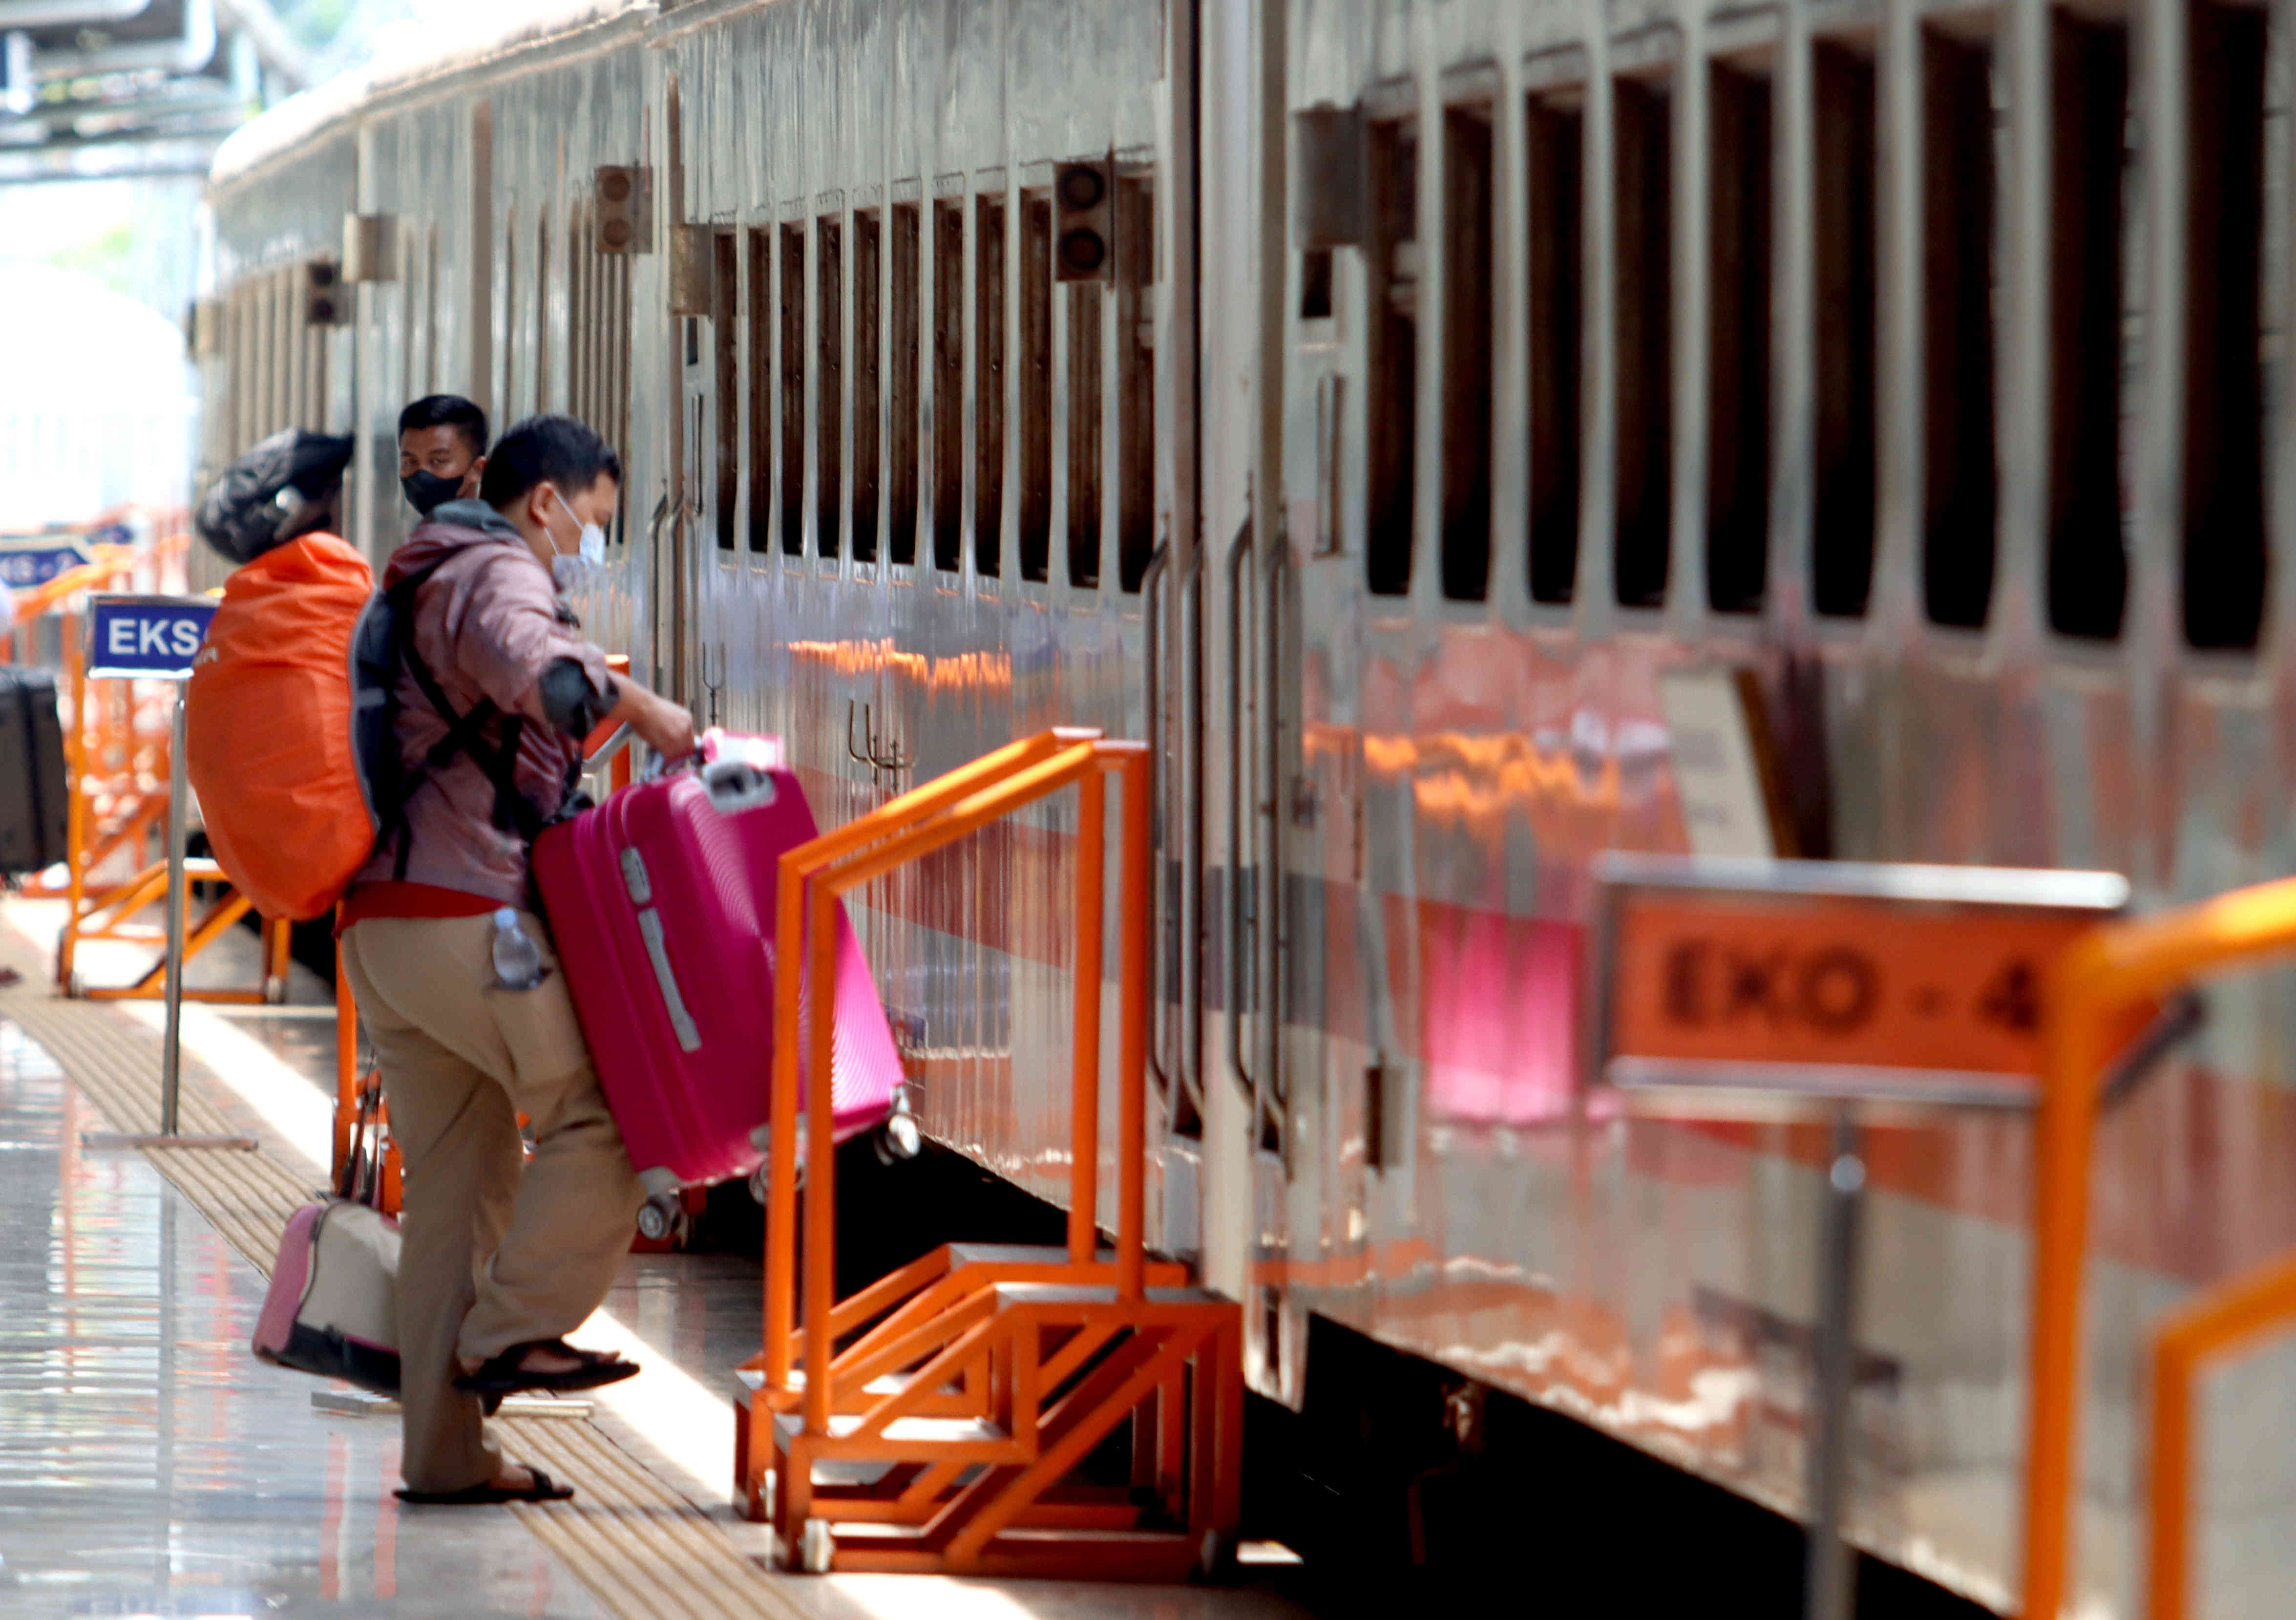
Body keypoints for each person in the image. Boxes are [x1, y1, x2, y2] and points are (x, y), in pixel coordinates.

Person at [337, 414, 696, 1506]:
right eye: (593, 520)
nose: (593, 541)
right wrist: (649, 712)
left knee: (458, 1190)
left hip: (389, 929)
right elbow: (544, 676)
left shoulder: (423, 571)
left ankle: (445, 1456)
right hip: (468, 916)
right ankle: (509, 1334)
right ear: (546, 501)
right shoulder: (497, 570)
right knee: (609, 1114)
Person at [397, 394, 490, 518]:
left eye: (437, 461)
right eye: (410, 462)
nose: (421, 474)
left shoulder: (500, 536)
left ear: (478, 469)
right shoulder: (420, 536)